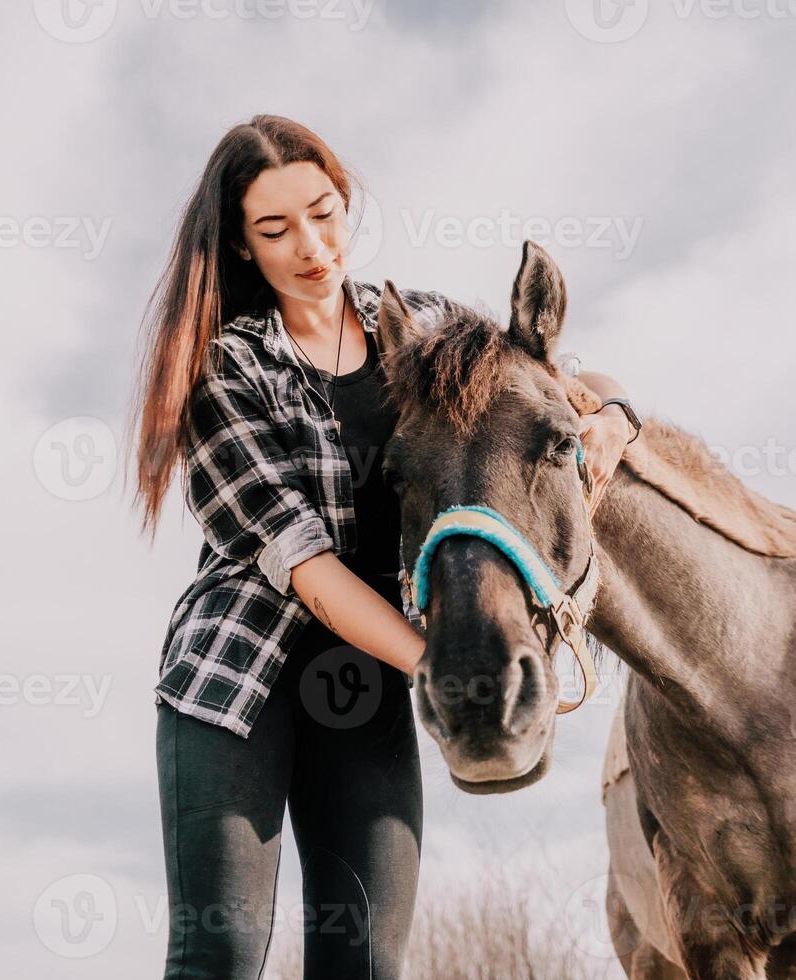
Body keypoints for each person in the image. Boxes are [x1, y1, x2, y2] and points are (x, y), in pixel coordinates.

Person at [130, 113, 637, 979]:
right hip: (240, 676)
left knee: (364, 960)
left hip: (361, 688)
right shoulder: (226, 372)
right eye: (276, 229)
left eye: (324, 213)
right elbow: (314, 576)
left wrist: (616, 416)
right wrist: (435, 665)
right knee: (219, 953)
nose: (313, 246)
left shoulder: (422, 322)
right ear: (243, 247)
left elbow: (562, 378)